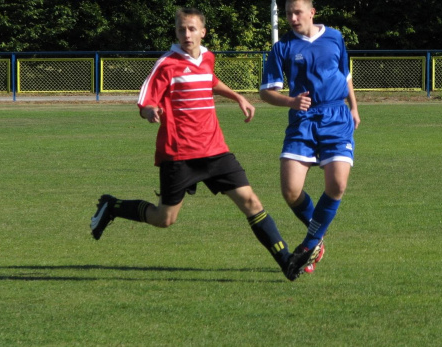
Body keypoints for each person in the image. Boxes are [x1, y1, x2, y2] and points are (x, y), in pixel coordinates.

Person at [91, 7, 301, 280]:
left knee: (251, 201)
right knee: (164, 219)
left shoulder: (207, 58)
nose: (186, 34)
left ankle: (287, 262)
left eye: (192, 29)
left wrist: (238, 97)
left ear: (203, 32)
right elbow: (145, 99)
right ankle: (113, 206)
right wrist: (149, 111)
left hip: (215, 150)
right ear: (176, 32)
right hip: (179, 154)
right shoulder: (166, 64)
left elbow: (210, 80)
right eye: (181, 29)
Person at [259, 0, 361, 276]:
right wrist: (290, 102)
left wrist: (354, 107)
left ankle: (310, 244)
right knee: (290, 191)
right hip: (302, 121)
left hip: (336, 116)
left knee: (337, 184)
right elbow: (266, 92)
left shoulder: (335, 37)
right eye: (288, 13)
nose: (292, 18)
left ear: (312, 12)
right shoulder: (282, 48)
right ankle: (318, 238)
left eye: (297, 12)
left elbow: (346, 75)